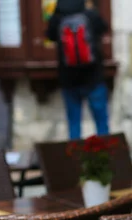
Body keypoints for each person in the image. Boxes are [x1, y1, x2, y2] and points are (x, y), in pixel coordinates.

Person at [47, 0, 109, 140]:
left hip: (69, 80)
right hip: (94, 77)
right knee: (101, 124)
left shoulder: (57, 18)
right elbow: (104, 27)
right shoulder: (90, 15)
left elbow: (50, 36)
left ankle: (75, 159)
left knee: (74, 124)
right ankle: (105, 158)